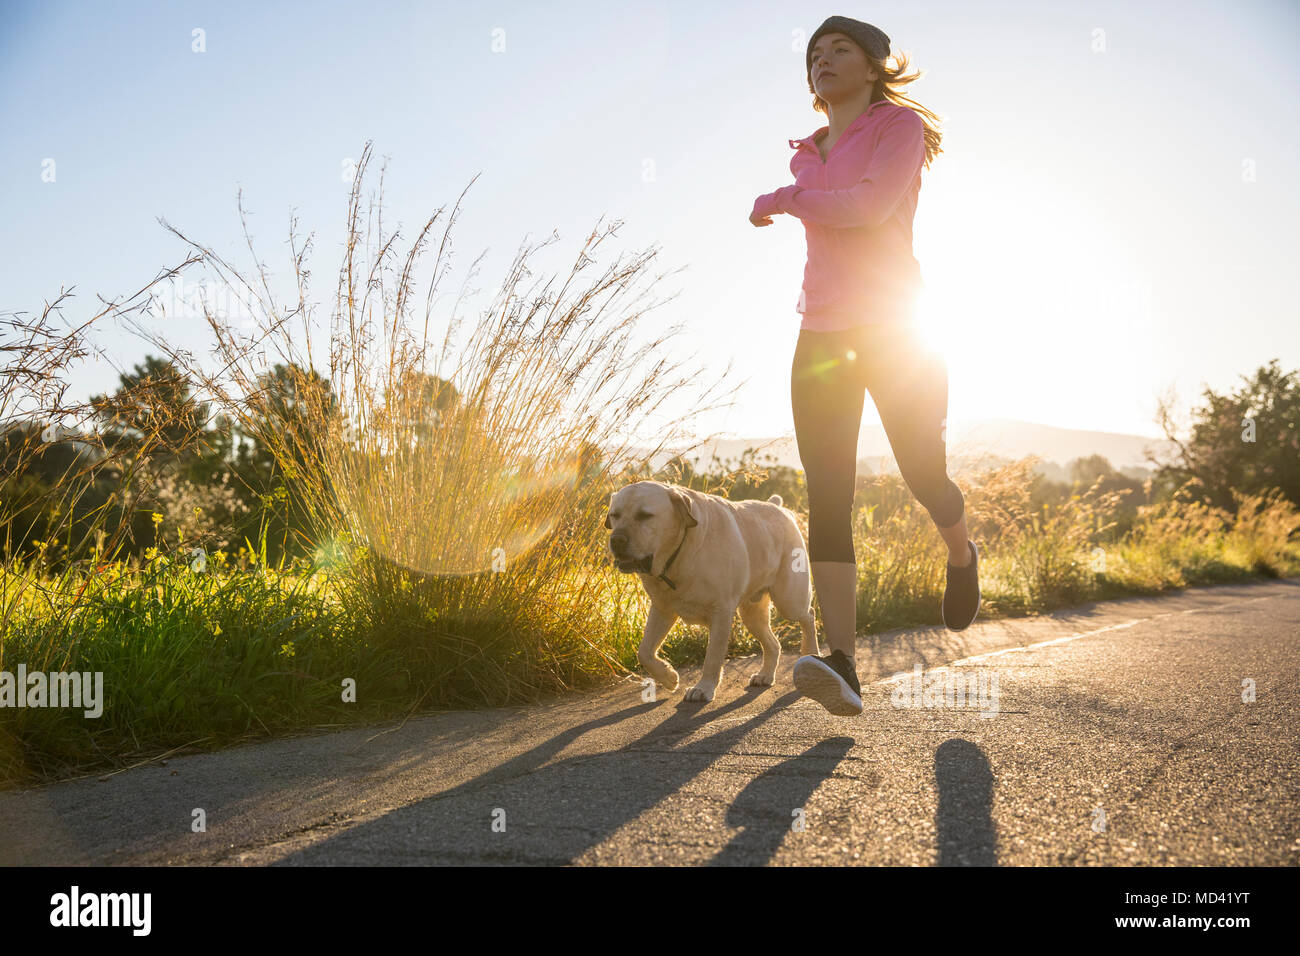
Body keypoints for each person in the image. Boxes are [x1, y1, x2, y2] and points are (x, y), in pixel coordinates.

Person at [750, 16, 980, 717]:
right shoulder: (807, 151)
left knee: (920, 470)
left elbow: (870, 207)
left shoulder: (897, 126)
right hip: (821, 335)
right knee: (827, 491)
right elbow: (829, 208)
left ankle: (961, 551)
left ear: (875, 63)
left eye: (838, 49)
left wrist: (786, 201)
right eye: (813, 54)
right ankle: (842, 661)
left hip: (898, 329)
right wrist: (796, 189)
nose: (822, 60)